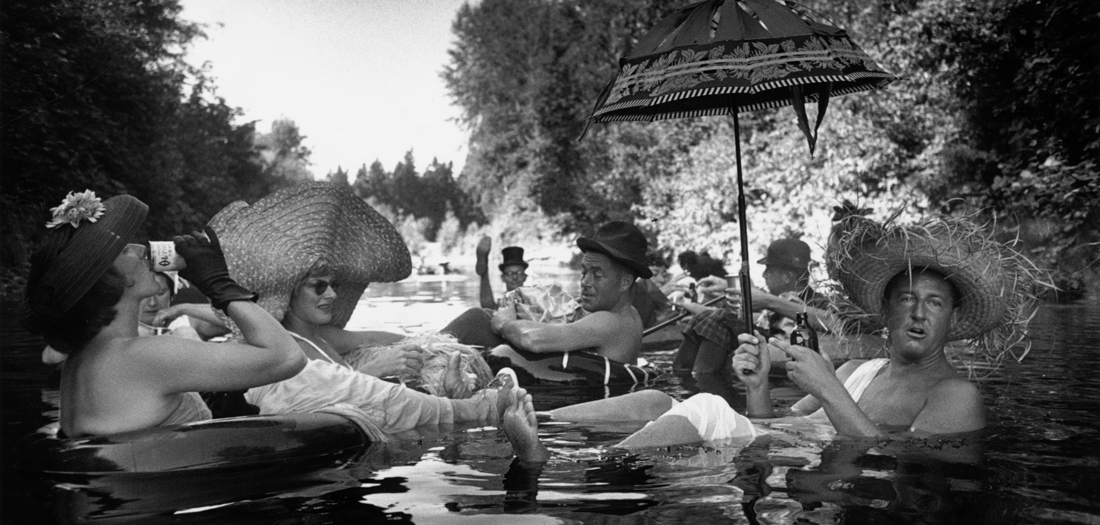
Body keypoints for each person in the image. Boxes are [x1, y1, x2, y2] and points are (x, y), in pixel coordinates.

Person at [499, 213, 1044, 460]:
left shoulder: (956, 395)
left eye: (934, 303)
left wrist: (828, 390)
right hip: (778, 450)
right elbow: (767, 420)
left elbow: (902, 461)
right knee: (655, 397)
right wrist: (758, 382)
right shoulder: (861, 370)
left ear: (952, 318)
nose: (918, 314)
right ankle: (533, 421)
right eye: (906, 299)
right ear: (887, 312)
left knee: (708, 405)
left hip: (808, 467)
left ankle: (559, 462)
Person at [209, 183, 519, 440]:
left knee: (475, 322)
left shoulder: (323, 336)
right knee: (479, 322)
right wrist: (374, 368)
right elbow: (321, 393)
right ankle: (467, 404)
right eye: (319, 286)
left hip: (386, 413)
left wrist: (427, 346)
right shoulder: (288, 348)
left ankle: (454, 395)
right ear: (288, 292)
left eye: (334, 285)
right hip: (347, 428)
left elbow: (379, 337)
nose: (331, 294)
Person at [22, 190, 307, 438]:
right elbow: (289, 357)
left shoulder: (80, 359)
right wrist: (219, 285)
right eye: (123, 250)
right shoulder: (143, 357)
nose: (139, 250)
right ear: (106, 280)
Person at [444, 221, 652, 365]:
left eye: (597, 275)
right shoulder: (630, 315)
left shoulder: (609, 322)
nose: (584, 282)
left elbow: (533, 340)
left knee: (478, 319)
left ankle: (424, 350)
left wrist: (504, 324)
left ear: (625, 282)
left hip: (583, 405)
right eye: (584, 272)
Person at [674, 238, 830, 374]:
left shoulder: (813, 302)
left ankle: (697, 385)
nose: (764, 275)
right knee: (709, 318)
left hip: (777, 348)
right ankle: (682, 376)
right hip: (767, 340)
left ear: (787, 276)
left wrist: (765, 301)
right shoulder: (779, 300)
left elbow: (831, 323)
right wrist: (708, 311)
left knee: (718, 320)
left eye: (769, 270)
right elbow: (760, 320)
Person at [476, 237, 530, 310]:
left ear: (525, 276)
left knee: (490, 309)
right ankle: (484, 272)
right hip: (506, 312)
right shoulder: (502, 302)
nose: (514, 277)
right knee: (490, 309)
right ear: (503, 278)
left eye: (519, 273)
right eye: (510, 273)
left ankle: (484, 271)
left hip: (526, 313)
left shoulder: (533, 296)